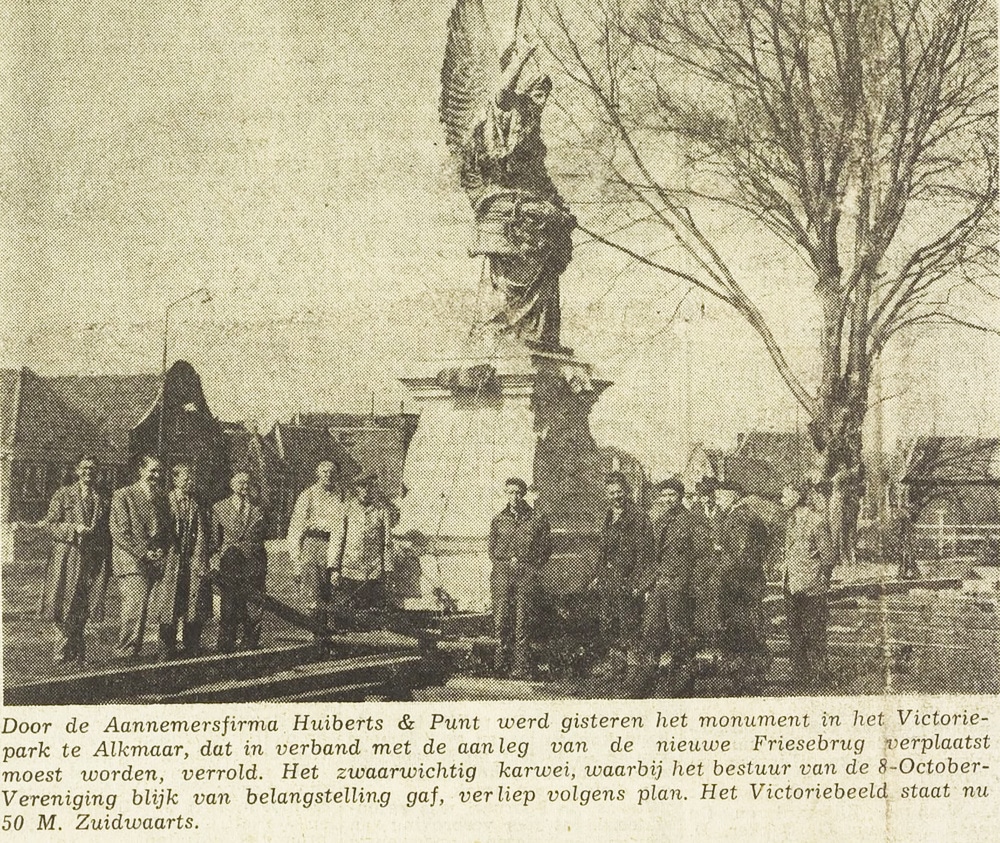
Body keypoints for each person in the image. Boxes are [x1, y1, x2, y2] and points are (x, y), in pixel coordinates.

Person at [456, 34, 575, 347]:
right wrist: (523, 56)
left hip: (532, 202)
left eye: (546, 93)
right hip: (508, 204)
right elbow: (502, 93)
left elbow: (541, 176)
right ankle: (505, 331)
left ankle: (537, 334)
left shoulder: (534, 128)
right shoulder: (510, 109)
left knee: (550, 241)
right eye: (538, 91)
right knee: (518, 263)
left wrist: (561, 206)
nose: (543, 99)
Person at [38, 454, 111, 663]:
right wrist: (73, 529)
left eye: (93, 469)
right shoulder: (63, 495)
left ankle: (78, 653)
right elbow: (50, 525)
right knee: (63, 603)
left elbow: (105, 532)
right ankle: (61, 653)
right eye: (85, 468)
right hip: (66, 557)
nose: (89, 472)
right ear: (77, 470)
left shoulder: (102, 499)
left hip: (91, 559)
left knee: (84, 604)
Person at [631, 477, 699, 698]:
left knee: (680, 633)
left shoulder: (692, 521)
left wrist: (689, 584)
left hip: (680, 584)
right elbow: (651, 557)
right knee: (651, 630)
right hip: (660, 583)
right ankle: (647, 677)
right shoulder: (659, 521)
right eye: (664, 495)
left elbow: (704, 559)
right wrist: (645, 585)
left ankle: (683, 679)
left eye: (672, 495)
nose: (668, 499)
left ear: (680, 496)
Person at [109, 456, 172, 658]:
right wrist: (144, 552)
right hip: (131, 560)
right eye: (152, 470)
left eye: (160, 471)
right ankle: (125, 652)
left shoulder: (161, 497)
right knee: (135, 606)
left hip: (154, 559)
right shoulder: (123, 495)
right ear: (141, 470)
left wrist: (161, 549)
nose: (157, 475)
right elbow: (120, 532)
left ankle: (135, 651)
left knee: (153, 607)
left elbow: (164, 529)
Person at [488, 477, 551, 678]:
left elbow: (546, 548)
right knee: (500, 620)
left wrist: (532, 566)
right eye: (510, 492)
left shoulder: (536, 518)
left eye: (517, 492)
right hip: (502, 574)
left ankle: (522, 667)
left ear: (523, 494)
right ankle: (500, 665)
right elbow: (491, 549)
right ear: (506, 494)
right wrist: (502, 563)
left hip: (526, 574)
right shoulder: (498, 519)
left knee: (522, 620)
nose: (513, 497)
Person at [592, 472, 653, 679]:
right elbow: (603, 550)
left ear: (626, 492)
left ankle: (635, 672)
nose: (615, 496)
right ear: (606, 493)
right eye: (611, 492)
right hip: (609, 580)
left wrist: (638, 584)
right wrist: (598, 575)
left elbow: (645, 555)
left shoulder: (639, 517)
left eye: (619, 492)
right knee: (609, 623)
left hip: (628, 580)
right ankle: (616, 667)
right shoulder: (609, 515)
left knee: (630, 625)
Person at [714, 480, 771, 693]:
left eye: (721, 494)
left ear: (734, 494)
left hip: (740, 584)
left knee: (745, 631)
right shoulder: (740, 514)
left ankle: (749, 679)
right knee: (745, 630)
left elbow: (740, 554)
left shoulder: (741, 517)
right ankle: (747, 677)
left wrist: (718, 562)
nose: (718, 498)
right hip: (743, 582)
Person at [780, 482, 835, 689]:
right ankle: (799, 675)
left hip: (811, 587)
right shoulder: (790, 521)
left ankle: (821, 676)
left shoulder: (817, 521)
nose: (782, 499)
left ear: (797, 496)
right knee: (794, 632)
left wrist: (822, 580)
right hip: (791, 584)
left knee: (815, 632)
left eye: (785, 496)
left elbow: (828, 557)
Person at [286, 461, 348, 632]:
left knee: (334, 593)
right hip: (313, 545)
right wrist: (296, 562)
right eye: (324, 471)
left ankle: (334, 637)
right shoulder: (308, 495)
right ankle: (316, 636)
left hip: (337, 545)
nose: (328, 474)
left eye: (332, 471)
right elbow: (295, 529)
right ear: (318, 474)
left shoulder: (342, 495)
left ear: (337, 474)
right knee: (314, 596)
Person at [210, 472, 268, 651]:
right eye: (240, 482)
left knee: (254, 604)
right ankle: (226, 643)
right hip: (230, 560)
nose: (244, 486)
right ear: (231, 484)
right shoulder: (219, 508)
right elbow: (214, 539)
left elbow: (263, 536)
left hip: (253, 561)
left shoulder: (258, 509)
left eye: (247, 483)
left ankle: (250, 642)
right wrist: (215, 559)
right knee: (229, 604)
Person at [328, 474, 393, 624]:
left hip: (373, 573)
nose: (366, 490)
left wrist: (388, 570)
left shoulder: (382, 511)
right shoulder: (346, 509)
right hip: (349, 571)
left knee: (372, 617)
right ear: (356, 488)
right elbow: (337, 540)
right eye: (362, 486)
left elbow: (387, 543)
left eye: (370, 486)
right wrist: (334, 569)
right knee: (344, 616)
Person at [162, 464, 212, 656]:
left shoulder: (197, 503)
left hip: (192, 563)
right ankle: (166, 647)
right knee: (169, 605)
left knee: (194, 603)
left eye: (191, 479)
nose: (189, 482)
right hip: (172, 562)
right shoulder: (166, 501)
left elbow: (204, 533)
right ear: (175, 480)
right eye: (185, 478)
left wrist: (201, 560)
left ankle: (192, 646)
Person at [690, 477, 723, 650]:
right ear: (699, 496)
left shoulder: (721, 511)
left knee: (715, 596)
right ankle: (701, 637)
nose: (707, 499)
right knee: (700, 596)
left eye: (709, 495)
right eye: (703, 495)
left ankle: (713, 636)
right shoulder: (694, 512)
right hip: (700, 561)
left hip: (716, 561)